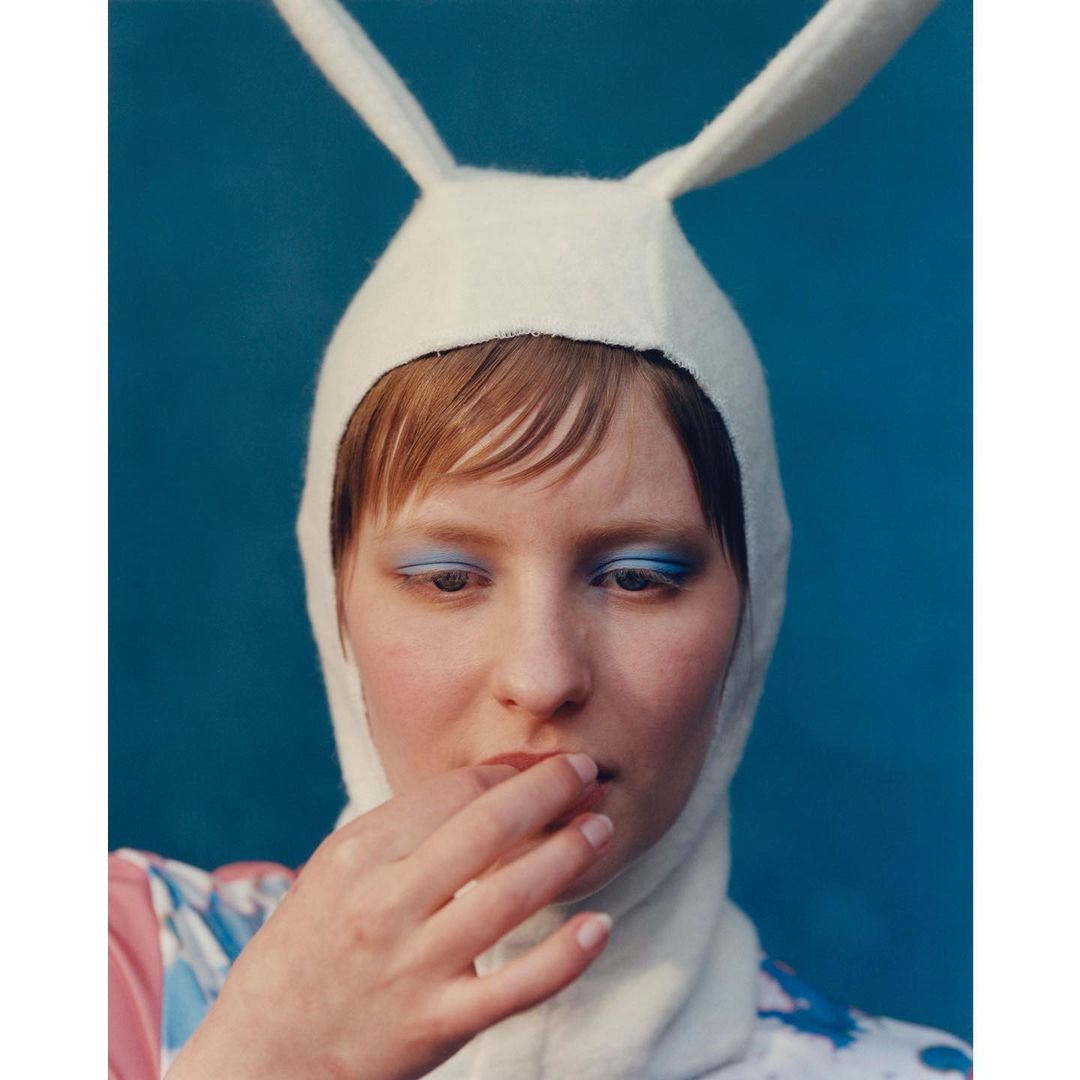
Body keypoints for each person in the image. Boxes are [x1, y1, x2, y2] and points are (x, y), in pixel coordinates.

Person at [109, 1, 972, 1077]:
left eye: (640, 577)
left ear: (752, 614)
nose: (542, 676)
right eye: (446, 578)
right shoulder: (115, 969)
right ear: (335, 605)